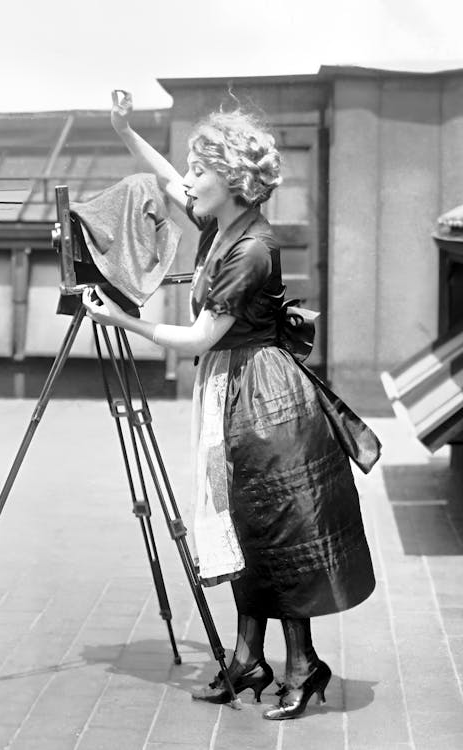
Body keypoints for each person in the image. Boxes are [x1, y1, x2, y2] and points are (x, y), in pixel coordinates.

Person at [82, 91, 379, 720]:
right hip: (234, 389)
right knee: (246, 526)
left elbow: (196, 339)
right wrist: (124, 129)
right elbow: (167, 179)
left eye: (199, 169)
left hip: (263, 398)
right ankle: (250, 659)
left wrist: (121, 320)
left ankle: (302, 666)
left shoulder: (251, 251)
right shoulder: (226, 225)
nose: (186, 181)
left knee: (271, 528)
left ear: (232, 180)